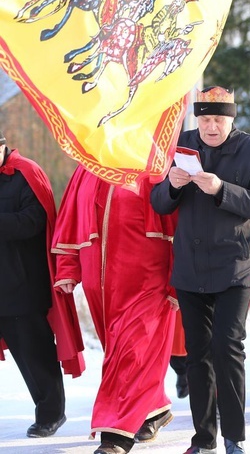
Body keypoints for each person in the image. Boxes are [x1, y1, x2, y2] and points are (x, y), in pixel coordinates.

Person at [151, 86, 250, 454]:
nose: (210, 126)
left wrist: (222, 188)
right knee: (196, 355)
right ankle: (203, 439)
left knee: (228, 347)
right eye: (204, 119)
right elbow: (158, 203)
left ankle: (234, 438)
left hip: (234, 267)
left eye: (218, 119)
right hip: (190, 269)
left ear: (231, 119)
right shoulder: (182, 145)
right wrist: (171, 186)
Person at [54, 166, 178, 454]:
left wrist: (176, 281)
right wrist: (68, 266)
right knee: (121, 352)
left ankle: (114, 435)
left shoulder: (155, 165)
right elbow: (71, 218)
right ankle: (153, 409)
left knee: (132, 352)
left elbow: (178, 225)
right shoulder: (87, 167)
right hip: (100, 284)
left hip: (148, 281)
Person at [0, 131, 84, 439]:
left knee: (33, 352)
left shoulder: (27, 172)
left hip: (24, 282)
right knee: (24, 354)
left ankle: (51, 413)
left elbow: (36, 220)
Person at [168, 219, 250, 399]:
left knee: (224, 345)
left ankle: (221, 397)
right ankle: (184, 373)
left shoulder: (243, 192)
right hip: (190, 281)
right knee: (187, 345)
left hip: (233, 282)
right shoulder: (182, 192)